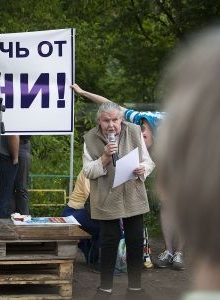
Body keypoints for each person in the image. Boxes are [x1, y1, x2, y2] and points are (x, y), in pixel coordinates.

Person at [72, 83, 185, 270]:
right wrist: (83, 92)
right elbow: (110, 105)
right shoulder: (139, 120)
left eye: (143, 136)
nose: (139, 137)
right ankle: (168, 250)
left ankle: (180, 252)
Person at [156, 25, 220, 300]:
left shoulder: (176, 120)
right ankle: (172, 251)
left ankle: (177, 252)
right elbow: (115, 106)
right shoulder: (157, 117)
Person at [82, 102, 155, 299]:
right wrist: (105, 157)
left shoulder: (134, 131)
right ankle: (105, 289)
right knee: (109, 242)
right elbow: (88, 171)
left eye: (115, 120)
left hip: (132, 193)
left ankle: (135, 289)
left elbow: (148, 161)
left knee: (135, 241)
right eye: (106, 120)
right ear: (99, 121)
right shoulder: (90, 138)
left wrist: (143, 168)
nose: (111, 125)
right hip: (106, 197)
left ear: (121, 119)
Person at [62, 171, 101, 266]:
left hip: (85, 211)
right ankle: (97, 259)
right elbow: (92, 196)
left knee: (106, 225)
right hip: (73, 212)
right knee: (105, 226)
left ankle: (93, 255)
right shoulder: (89, 171)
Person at [9, 135, 31, 215]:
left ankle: (24, 218)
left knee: (21, 189)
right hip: (8, 145)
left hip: (22, 143)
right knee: (9, 189)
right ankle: (10, 217)